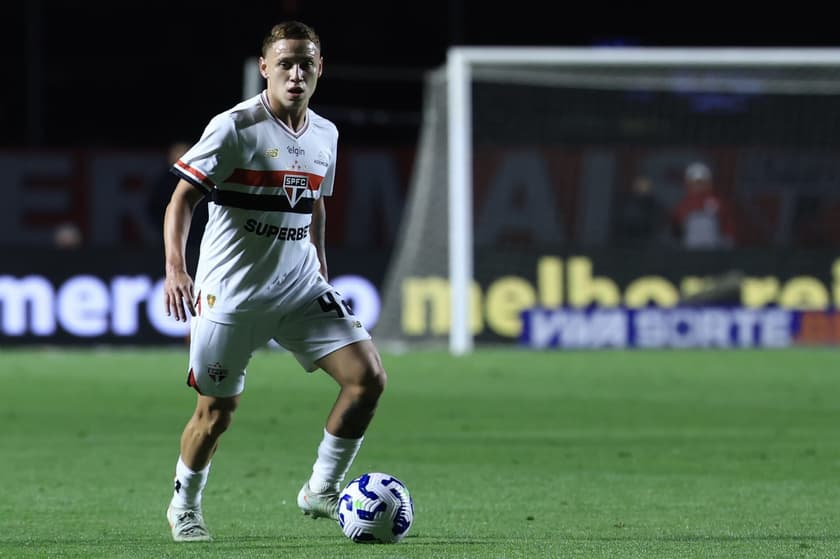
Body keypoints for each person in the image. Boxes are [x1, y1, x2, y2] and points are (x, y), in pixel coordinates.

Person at [162, 21, 387, 542]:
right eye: (285, 62)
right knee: (216, 413)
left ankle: (322, 491)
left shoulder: (326, 133)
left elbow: (315, 204)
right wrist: (177, 268)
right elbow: (182, 199)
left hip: (300, 286)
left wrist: (321, 263)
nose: (296, 72)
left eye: (306, 62)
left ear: (320, 68)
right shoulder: (235, 126)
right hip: (232, 295)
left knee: (368, 379)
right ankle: (185, 505)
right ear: (265, 68)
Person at [670, 161, 737, 249]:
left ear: (709, 183)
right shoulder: (682, 205)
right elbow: (675, 229)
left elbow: (728, 227)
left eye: (701, 182)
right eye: (694, 183)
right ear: (688, 184)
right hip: (690, 250)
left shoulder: (718, 202)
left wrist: (728, 242)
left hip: (713, 250)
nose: (698, 186)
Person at [612, 175, 668, 246]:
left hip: (647, 239)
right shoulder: (629, 203)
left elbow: (659, 221)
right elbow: (623, 221)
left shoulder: (654, 205)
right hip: (629, 240)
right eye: (640, 188)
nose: (642, 190)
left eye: (644, 188)